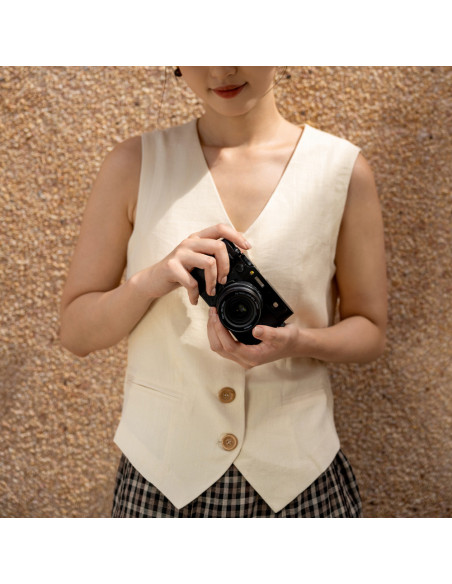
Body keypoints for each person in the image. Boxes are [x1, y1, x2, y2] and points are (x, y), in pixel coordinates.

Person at [60, 66, 387, 517]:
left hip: (298, 481)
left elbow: (369, 331)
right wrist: (150, 281)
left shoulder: (341, 170)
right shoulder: (133, 164)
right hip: (161, 481)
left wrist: (299, 342)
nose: (221, 69)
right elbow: (76, 333)